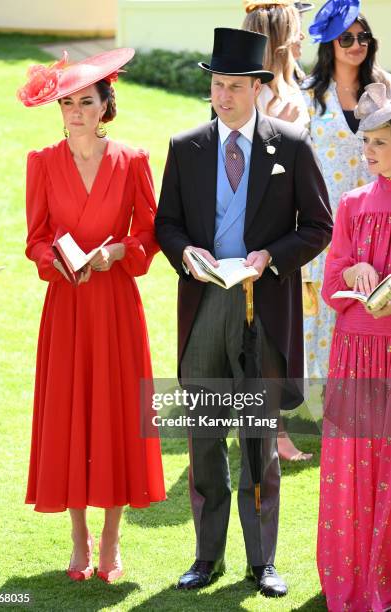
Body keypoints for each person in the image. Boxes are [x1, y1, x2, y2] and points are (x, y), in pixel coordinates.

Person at [155, 27, 332, 597]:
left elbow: (318, 226)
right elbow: (167, 224)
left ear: (258, 87)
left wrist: (270, 258)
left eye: (235, 86)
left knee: (258, 438)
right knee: (205, 439)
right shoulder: (186, 148)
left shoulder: (292, 144)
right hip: (205, 305)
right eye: (217, 85)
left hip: (265, 306)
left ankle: (263, 563)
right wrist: (185, 252)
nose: (224, 96)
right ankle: (206, 560)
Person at [17, 48, 165, 582]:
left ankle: (111, 538)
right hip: (67, 305)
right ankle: (78, 539)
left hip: (115, 308)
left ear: (106, 106)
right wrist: (53, 259)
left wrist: (119, 252)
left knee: (115, 415)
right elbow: (33, 240)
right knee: (70, 414)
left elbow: (148, 234)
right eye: (67, 102)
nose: (75, 111)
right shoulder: (41, 162)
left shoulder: (133, 160)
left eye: (86, 101)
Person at [319, 82, 391, 612]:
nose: (367, 153)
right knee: (355, 465)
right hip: (356, 353)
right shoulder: (351, 203)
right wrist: (355, 269)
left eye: (380, 144)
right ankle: (353, 582)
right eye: (366, 143)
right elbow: (331, 284)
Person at [301, 0, 390, 379]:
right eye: (346, 38)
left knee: (373, 308)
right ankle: (321, 403)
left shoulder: (384, 87)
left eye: (363, 37)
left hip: (378, 223)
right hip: (323, 224)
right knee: (319, 315)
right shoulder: (309, 95)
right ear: (329, 45)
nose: (356, 45)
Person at [243, 0, 313, 462]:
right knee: (258, 333)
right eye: (298, 28)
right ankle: (269, 431)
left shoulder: (295, 87)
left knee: (279, 333)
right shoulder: (258, 94)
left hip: (292, 229)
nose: (305, 37)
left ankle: (272, 426)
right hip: (258, 231)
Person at [242, 0, 310, 129]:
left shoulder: (287, 82)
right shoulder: (250, 93)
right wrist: (281, 124)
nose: (302, 36)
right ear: (279, 39)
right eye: (296, 29)